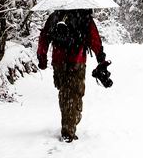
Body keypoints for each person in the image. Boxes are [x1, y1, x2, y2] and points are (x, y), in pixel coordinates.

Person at [37, 8, 107, 142]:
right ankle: (69, 127)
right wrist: (100, 58)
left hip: (58, 61)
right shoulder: (84, 17)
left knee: (64, 91)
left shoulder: (55, 16)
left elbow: (44, 37)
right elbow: (94, 39)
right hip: (77, 60)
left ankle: (67, 122)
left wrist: (42, 57)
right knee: (75, 93)